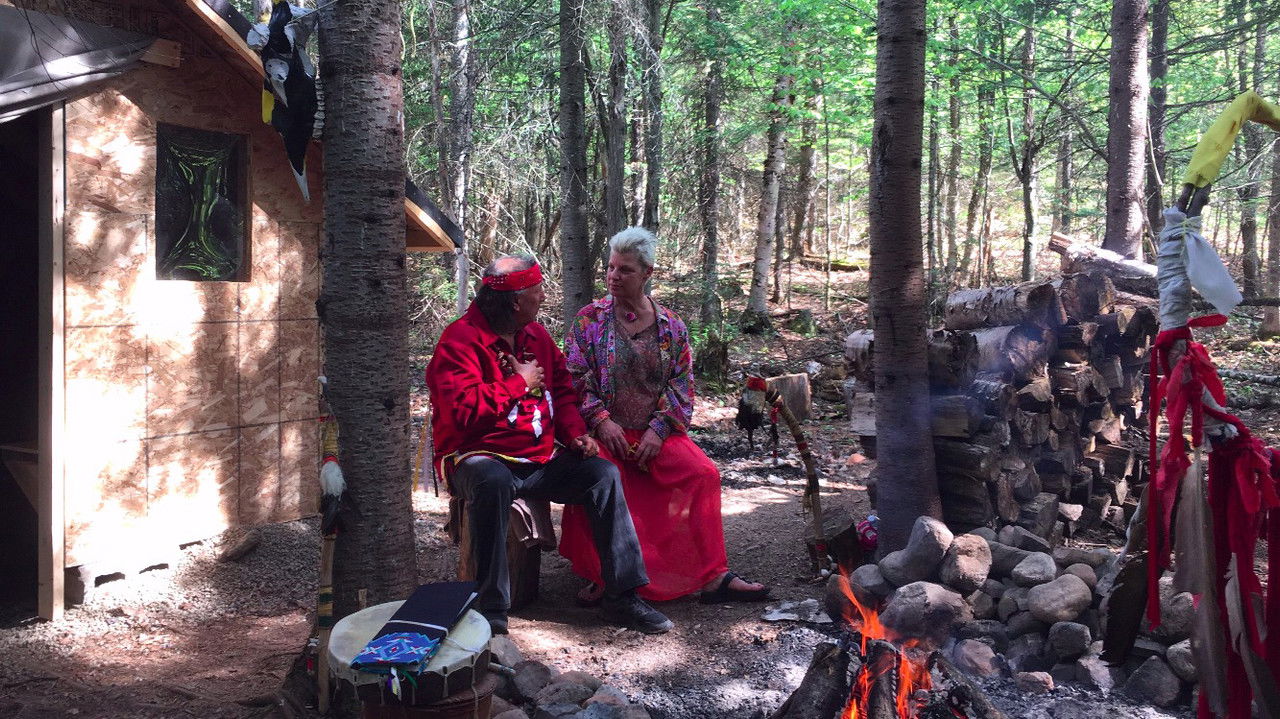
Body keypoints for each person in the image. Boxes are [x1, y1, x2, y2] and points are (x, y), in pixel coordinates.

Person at [426, 254, 674, 635]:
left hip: (538, 458)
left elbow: (562, 389)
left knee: (601, 475)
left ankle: (622, 597)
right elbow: (461, 412)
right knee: (491, 481)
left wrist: (575, 433)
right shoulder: (458, 341)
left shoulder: (535, 336)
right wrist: (518, 384)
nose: (543, 296)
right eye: (537, 290)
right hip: (476, 458)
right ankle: (490, 609)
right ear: (514, 301)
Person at [559, 227, 770, 605]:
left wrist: (658, 430)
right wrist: (603, 421)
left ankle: (712, 576)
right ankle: (602, 573)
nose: (613, 276)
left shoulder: (671, 326)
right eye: (610, 268)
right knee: (595, 474)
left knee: (703, 473)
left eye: (624, 270)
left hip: (657, 433)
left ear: (647, 274)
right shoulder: (589, 320)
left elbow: (682, 385)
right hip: (606, 432)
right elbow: (573, 380)